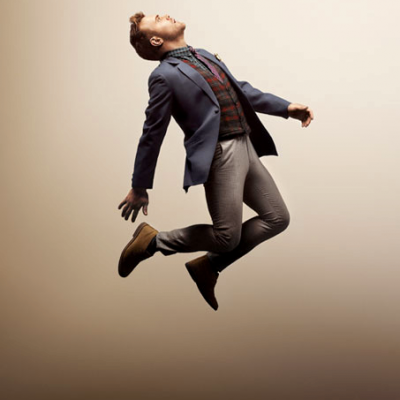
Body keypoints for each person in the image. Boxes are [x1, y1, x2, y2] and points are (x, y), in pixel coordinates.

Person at [117, 12, 314, 310]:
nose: (164, 14)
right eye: (156, 19)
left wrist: (285, 108)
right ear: (156, 40)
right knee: (226, 237)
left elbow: (241, 91)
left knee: (277, 218)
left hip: (245, 144)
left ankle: (208, 266)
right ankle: (153, 241)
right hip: (220, 155)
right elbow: (152, 132)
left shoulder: (203, 55)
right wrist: (139, 185)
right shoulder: (163, 76)